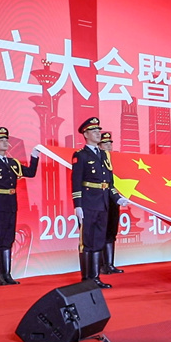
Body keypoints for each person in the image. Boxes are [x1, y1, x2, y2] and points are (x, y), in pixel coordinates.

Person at [71, 117, 128, 289]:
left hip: (103, 202)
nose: (98, 133)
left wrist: (117, 198)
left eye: (99, 131)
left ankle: (95, 277)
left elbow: (109, 183)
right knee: (88, 241)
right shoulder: (80, 155)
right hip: (88, 202)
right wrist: (77, 205)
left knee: (98, 240)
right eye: (94, 131)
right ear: (86, 134)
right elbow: (76, 181)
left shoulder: (104, 155)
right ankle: (87, 278)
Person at [0, 127, 39, 285]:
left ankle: (7, 275)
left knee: (8, 238)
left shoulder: (13, 163)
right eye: (1, 140)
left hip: (11, 203)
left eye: (6, 140)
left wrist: (35, 156)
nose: (5, 143)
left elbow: (30, 173)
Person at [99, 131, 124, 275]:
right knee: (101, 231)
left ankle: (109, 264)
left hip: (114, 199)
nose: (109, 145)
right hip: (100, 199)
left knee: (111, 230)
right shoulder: (97, 160)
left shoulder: (117, 160)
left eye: (110, 143)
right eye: (105, 143)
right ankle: (101, 265)